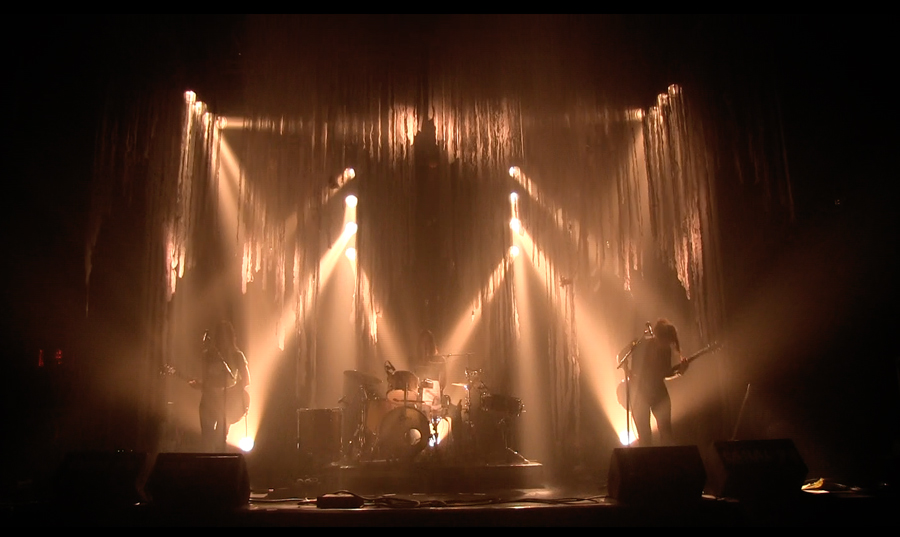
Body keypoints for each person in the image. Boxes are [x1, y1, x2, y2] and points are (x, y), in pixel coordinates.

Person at [189, 320, 250, 452]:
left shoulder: (237, 356)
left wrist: (228, 392)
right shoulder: (207, 356)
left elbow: (246, 380)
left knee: (220, 438)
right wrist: (200, 385)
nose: (222, 340)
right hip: (208, 401)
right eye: (220, 336)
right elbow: (206, 380)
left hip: (227, 403)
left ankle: (221, 461)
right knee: (207, 438)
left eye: (225, 337)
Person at [627, 318, 687, 447]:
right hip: (640, 394)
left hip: (658, 393)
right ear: (658, 337)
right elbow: (621, 356)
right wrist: (627, 371)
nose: (667, 345)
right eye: (666, 342)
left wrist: (679, 372)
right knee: (645, 437)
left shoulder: (665, 350)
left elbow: (665, 374)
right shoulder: (641, 345)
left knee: (666, 434)